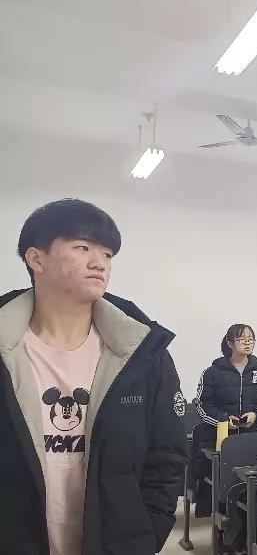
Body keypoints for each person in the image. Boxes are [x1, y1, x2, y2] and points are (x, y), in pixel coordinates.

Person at [0, 199, 186, 553]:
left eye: (107, 254)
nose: (99, 262)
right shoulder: (6, 348)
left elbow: (167, 456)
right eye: (82, 247)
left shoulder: (142, 352)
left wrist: (146, 532)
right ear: (36, 258)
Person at [195, 324, 257, 433]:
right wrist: (222, 421)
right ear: (230, 344)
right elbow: (203, 405)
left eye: (250, 339)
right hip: (220, 434)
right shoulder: (212, 372)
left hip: (254, 433)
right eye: (242, 339)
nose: (247, 342)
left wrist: (256, 413)